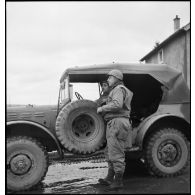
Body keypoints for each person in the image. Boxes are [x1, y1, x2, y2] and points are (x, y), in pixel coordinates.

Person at [97, 69, 133, 189]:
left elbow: (117, 104)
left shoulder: (118, 89)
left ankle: (118, 181)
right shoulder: (117, 90)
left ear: (117, 78)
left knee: (116, 152)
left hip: (117, 122)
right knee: (109, 151)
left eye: (110, 77)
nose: (108, 79)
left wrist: (102, 109)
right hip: (114, 122)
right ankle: (109, 178)